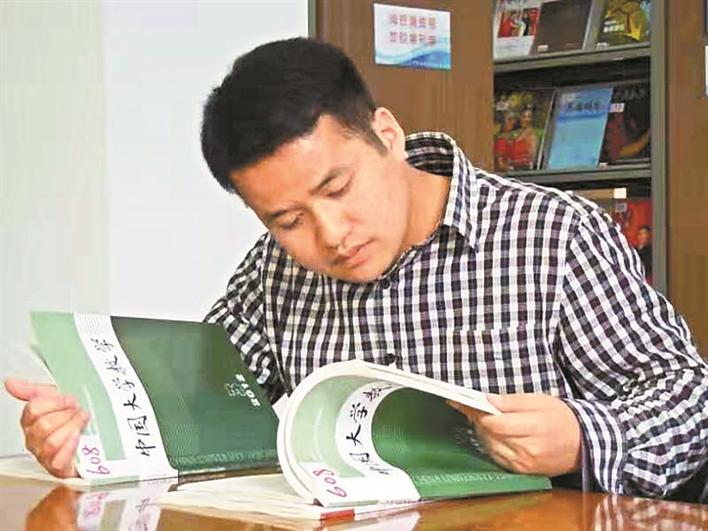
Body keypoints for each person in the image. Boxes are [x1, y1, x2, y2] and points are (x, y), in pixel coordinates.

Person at [5, 38, 707, 500]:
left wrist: (582, 435)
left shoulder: (553, 235)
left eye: (338, 188)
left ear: (387, 134)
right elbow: (204, 410)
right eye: (287, 220)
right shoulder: (275, 272)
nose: (330, 236)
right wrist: (92, 435)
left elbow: (688, 398)